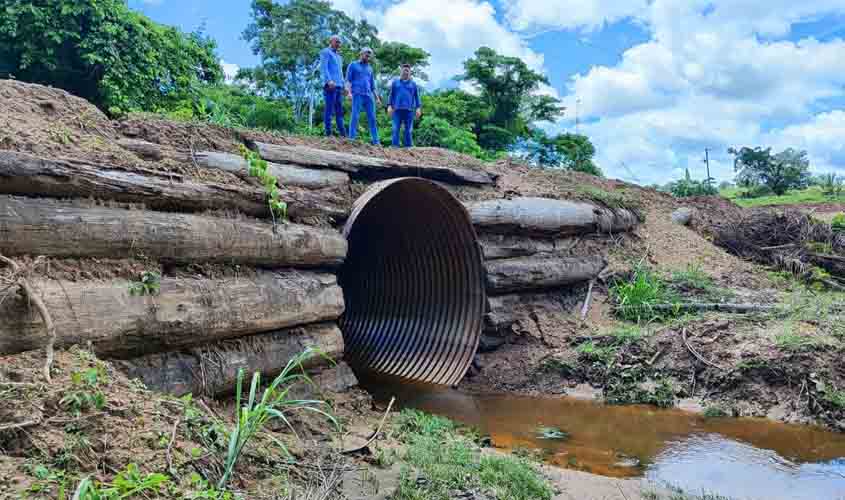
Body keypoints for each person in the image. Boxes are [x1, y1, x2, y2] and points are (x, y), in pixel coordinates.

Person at [345, 47, 381, 145]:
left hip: (369, 96)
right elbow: (348, 80)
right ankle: (351, 139)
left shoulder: (370, 68)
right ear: (361, 53)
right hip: (357, 94)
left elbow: (373, 85)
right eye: (366, 54)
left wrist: (377, 98)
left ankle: (376, 142)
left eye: (370, 55)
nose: (368, 56)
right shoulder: (353, 65)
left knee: (372, 118)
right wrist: (348, 93)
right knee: (355, 116)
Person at [388, 64, 422, 148]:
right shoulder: (395, 83)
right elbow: (391, 95)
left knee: (408, 130)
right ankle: (394, 146)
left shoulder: (413, 84)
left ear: (410, 72)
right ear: (401, 71)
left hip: (409, 111)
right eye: (404, 70)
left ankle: (408, 147)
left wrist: (418, 108)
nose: (406, 71)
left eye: (407, 70)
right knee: (395, 129)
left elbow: (417, 97)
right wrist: (389, 106)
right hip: (397, 110)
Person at [319, 35, 345, 136]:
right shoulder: (326, 52)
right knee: (329, 110)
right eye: (337, 41)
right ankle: (328, 134)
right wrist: (329, 80)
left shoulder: (339, 57)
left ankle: (343, 136)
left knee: (339, 112)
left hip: (338, 86)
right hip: (330, 86)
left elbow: (341, 72)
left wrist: (343, 85)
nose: (338, 44)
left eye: (340, 42)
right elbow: (324, 67)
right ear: (331, 41)